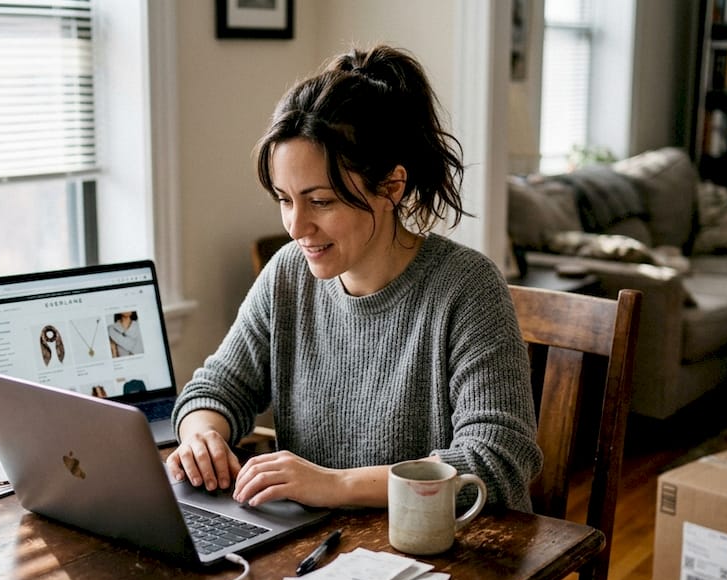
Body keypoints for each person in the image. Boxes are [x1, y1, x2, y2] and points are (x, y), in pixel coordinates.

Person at [167, 45, 540, 513]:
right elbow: (215, 390)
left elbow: (496, 462)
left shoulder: (467, 288)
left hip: (446, 562)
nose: (296, 227)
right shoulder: (287, 275)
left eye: (320, 201)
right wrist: (203, 435)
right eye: (284, 199)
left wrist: (336, 485)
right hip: (325, 555)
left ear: (391, 187)